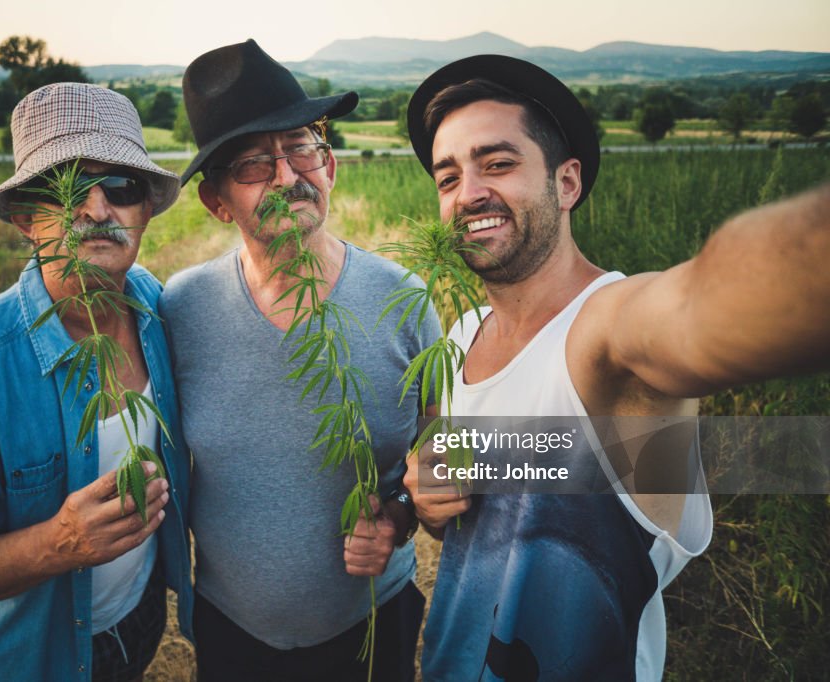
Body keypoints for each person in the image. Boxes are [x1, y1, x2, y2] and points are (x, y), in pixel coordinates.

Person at [401, 55, 830, 681]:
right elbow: (485, 527)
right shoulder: (463, 337)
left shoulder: (608, 335)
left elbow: (703, 302)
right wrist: (432, 499)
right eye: (448, 178)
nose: (468, 193)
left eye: (498, 163)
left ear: (568, 183)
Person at [0, 82, 193, 682]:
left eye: (121, 187)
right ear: (26, 217)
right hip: (25, 660)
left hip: (138, 621)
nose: (98, 210)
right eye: (65, 189)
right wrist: (60, 542)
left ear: (146, 207)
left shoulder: (158, 309)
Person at [160, 40, 439, 681]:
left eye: (299, 148)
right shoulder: (181, 310)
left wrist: (399, 514)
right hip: (232, 631)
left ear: (330, 164)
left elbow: (439, 444)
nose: (287, 176)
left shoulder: (404, 299)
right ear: (217, 202)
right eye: (254, 164)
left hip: (372, 623)